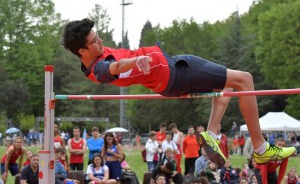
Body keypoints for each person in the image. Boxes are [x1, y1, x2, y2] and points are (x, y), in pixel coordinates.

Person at [62, 18, 296, 166]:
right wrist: (137, 61)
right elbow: (115, 67)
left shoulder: (93, 58)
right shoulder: (99, 68)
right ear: (83, 50)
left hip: (170, 77)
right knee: (245, 80)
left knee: (223, 86)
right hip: (177, 73)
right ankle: (261, 148)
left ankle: (212, 136)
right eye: (95, 40)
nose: (101, 41)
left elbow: (112, 62)